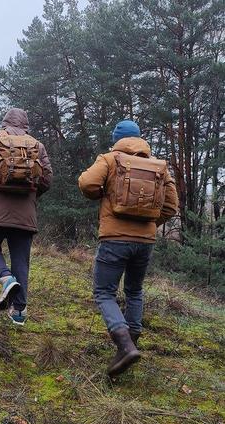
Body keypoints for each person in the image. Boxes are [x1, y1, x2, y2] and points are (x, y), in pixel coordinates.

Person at [78, 119, 178, 377]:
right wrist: (149, 223)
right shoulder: (159, 167)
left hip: (114, 238)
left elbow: (87, 183)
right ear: (140, 139)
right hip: (145, 242)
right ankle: (131, 343)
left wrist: (102, 196)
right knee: (134, 291)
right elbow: (171, 206)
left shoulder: (111, 159)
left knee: (103, 292)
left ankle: (124, 345)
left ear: (117, 140)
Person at [0, 108, 53, 326]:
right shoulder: (37, 145)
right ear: (26, 124)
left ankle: (6, 279)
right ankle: (19, 312)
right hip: (25, 215)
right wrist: (30, 197)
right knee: (20, 259)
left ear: (4, 121)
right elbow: (46, 180)